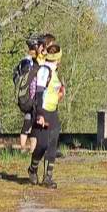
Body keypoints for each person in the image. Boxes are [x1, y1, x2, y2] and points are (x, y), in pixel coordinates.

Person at [28, 43, 65, 188]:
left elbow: (52, 93)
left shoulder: (54, 72)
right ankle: (32, 169)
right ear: (58, 59)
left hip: (53, 112)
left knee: (52, 145)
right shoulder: (44, 70)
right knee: (42, 145)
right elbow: (38, 92)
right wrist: (40, 115)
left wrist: (60, 93)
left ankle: (48, 177)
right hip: (42, 112)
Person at [13, 35, 44, 152]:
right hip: (33, 97)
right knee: (34, 125)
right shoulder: (35, 62)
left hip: (24, 97)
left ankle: (23, 148)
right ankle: (32, 150)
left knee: (27, 120)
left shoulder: (24, 61)